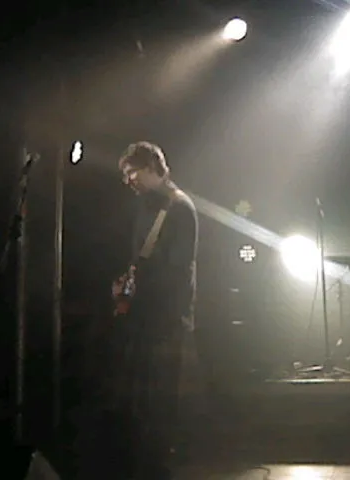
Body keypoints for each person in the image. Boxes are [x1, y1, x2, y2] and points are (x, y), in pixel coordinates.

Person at [110, 141, 199, 478]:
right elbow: (140, 260)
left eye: (132, 173)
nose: (128, 181)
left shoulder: (179, 208)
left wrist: (140, 289)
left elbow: (177, 270)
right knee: (141, 401)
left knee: (161, 401)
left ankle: (160, 466)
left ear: (151, 168)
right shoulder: (146, 207)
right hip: (145, 318)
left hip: (167, 321)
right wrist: (126, 284)